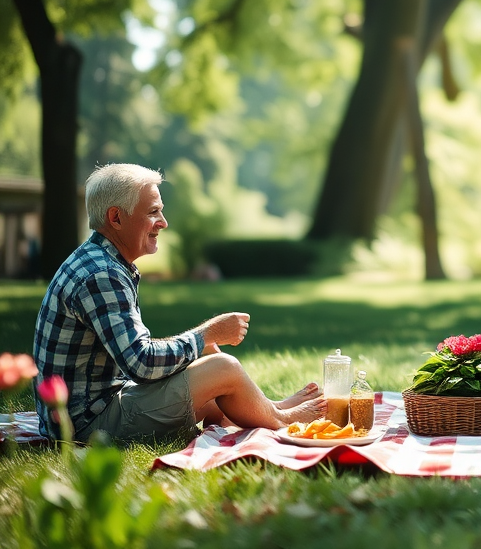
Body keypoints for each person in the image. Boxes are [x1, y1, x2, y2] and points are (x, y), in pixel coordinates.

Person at [33, 163, 326, 444]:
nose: (163, 222)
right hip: (87, 427)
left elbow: (134, 358)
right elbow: (141, 363)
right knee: (223, 368)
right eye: (153, 212)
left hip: (88, 411)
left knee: (206, 357)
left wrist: (202, 345)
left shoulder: (99, 260)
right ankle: (282, 420)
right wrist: (206, 333)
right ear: (116, 218)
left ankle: (266, 408)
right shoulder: (102, 275)